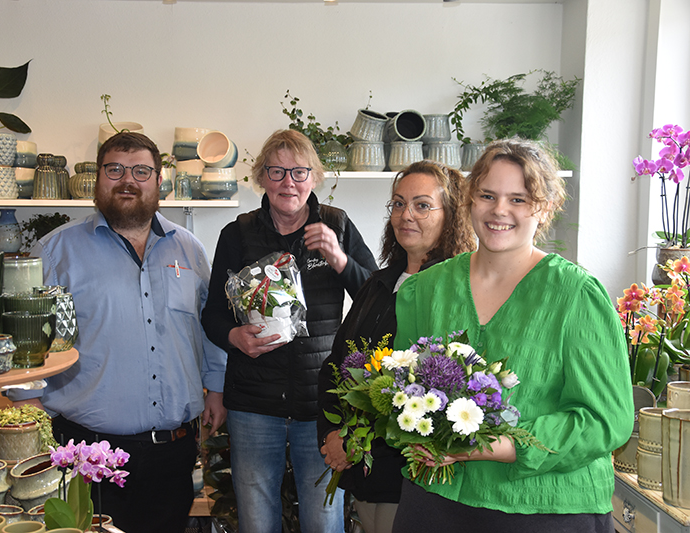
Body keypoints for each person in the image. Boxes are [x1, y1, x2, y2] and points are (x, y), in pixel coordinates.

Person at [391, 139, 634, 533]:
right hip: (436, 500)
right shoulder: (427, 289)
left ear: (544, 207)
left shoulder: (576, 297)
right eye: (487, 195)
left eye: (518, 199)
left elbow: (605, 421)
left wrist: (488, 447)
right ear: (469, 200)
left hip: (546, 509)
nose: (499, 210)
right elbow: (404, 390)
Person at [11, 132, 227, 533]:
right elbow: (23, 337)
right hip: (86, 454)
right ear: (98, 178)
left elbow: (209, 326)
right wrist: (32, 413)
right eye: (115, 169)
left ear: (158, 180)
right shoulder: (56, 252)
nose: (128, 180)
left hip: (173, 453)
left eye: (141, 170)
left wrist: (216, 388)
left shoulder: (190, 250)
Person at [201, 129, 378, 533]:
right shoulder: (237, 233)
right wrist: (234, 338)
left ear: (314, 177)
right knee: (256, 517)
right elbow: (212, 313)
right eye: (277, 171)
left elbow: (374, 299)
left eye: (299, 172)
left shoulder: (336, 224)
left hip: (319, 404)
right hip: (252, 403)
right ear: (261, 178)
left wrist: (338, 256)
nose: (288, 183)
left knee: (322, 516)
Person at [317, 160, 475, 533]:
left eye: (422, 205)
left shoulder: (456, 291)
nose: (407, 215)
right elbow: (337, 363)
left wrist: (354, 438)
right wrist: (332, 432)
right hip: (361, 474)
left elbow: (431, 388)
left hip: (410, 478)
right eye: (399, 204)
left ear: (451, 215)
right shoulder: (378, 283)